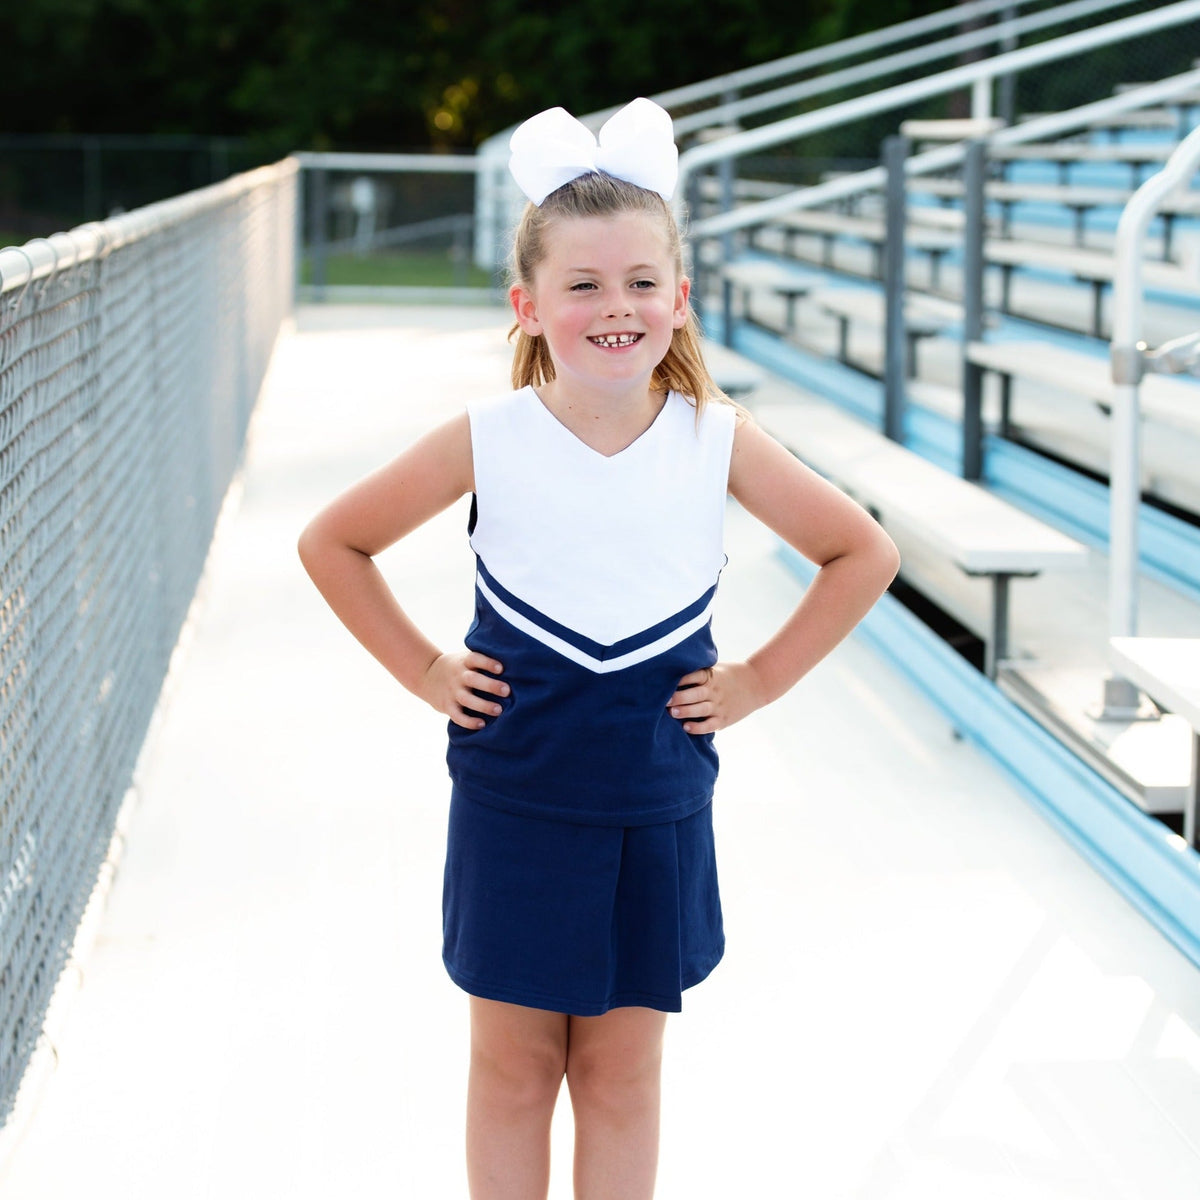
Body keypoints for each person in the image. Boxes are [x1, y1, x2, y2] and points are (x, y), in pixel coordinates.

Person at [298, 97, 900, 1200]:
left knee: (623, 1074)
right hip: (516, 795)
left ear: (680, 300)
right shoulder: (488, 436)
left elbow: (861, 553)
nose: (613, 307)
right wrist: (425, 668)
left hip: (652, 800)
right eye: (582, 285)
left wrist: (759, 679)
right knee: (514, 1067)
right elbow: (333, 541)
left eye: (638, 283)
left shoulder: (720, 441)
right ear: (527, 306)